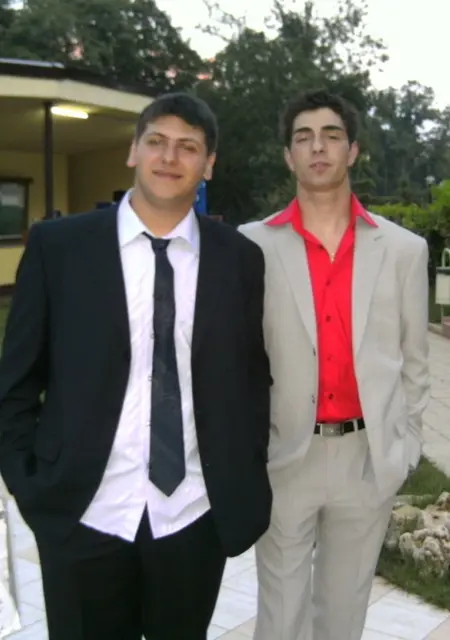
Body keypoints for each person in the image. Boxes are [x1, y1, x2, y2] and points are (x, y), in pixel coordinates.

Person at [0, 92, 272, 640]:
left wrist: (242, 471)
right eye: (157, 141)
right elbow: (16, 381)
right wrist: (30, 484)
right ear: (133, 151)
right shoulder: (60, 247)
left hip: (192, 515)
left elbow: (250, 379)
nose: (169, 157)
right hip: (84, 513)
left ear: (208, 164)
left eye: (188, 147)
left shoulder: (239, 258)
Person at [239, 90, 429, 640]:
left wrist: (405, 447)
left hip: (366, 458)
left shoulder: (403, 250)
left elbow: (415, 363)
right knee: (280, 618)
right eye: (304, 138)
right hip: (284, 457)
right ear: (288, 156)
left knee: (344, 617)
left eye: (331, 135)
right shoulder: (251, 246)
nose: (317, 147)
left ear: (353, 150)